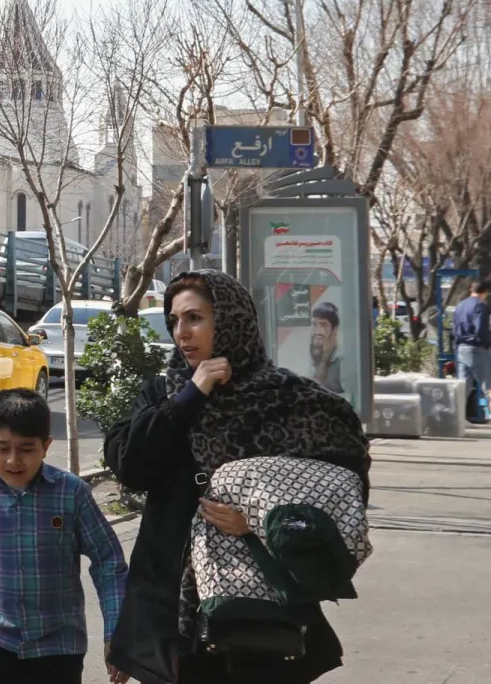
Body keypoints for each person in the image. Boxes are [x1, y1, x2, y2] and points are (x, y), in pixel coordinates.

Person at [103, 271, 370, 684]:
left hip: (256, 611)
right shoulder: (164, 394)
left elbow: (341, 493)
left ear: (229, 321)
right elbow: (130, 465)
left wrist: (261, 523)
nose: (182, 333)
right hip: (170, 606)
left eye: (195, 318)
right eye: (174, 320)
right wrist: (191, 396)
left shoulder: (290, 402)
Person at [0, 388, 128, 684]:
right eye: (2, 448)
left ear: (46, 446)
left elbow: (109, 561)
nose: (14, 460)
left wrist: (116, 631)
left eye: (26, 449)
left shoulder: (71, 494)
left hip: (57, 644)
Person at [451, 279, 491, 424]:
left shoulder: (460, 305)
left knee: (463, 386)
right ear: (484, 292)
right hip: (477, 348)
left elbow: (455, 328)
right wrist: (487, 344)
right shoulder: (481, 306)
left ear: (471, 290)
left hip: (461, 348)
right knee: (489, 384)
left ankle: (455, 418)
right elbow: (480, 329)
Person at [308, 302, 344, 394]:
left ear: (334, 329)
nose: (318, 332)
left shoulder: (341, 360)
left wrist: (326, 357)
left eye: (323, 325)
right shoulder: (314, 353)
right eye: (315, 324)